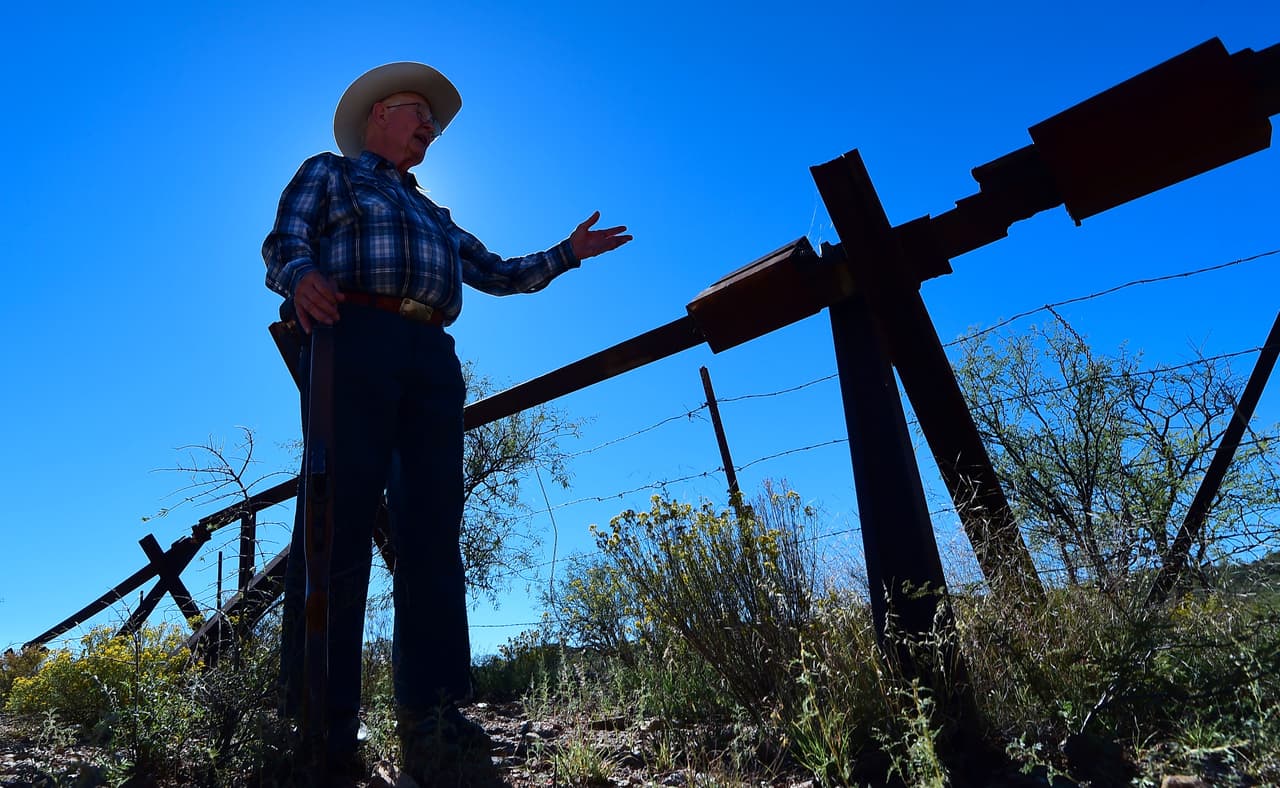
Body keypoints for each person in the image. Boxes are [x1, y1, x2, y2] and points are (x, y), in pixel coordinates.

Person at [262, 61, 630, 783]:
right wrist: (301, 275)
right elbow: (284, 242)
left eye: (433, 120)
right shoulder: (331, 174)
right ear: (378, 118)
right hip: (351, 335)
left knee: (433, 531)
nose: (430, 127)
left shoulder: (436, 213)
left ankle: (435, 713)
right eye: (418, 113)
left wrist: (568, 254)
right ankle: (319, 720)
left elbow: (497, 273)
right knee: (336, 524)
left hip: (430, 356)